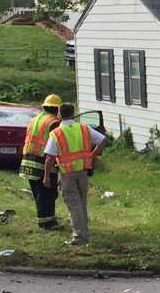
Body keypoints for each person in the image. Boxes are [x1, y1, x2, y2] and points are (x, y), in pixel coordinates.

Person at [41, 103, 106, 246]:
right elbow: (102, 140)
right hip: (83, 171)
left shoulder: (57, 133)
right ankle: (85, 232)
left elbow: (50, 157)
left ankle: (79, 237)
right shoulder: (83, 128)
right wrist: (93, 155)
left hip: (67, 174)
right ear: (73, 113)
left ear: (59, 115)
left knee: (74, 205)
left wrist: (46, 176)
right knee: (82, 203)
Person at [20, 94, 65, 230]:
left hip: (28, 159)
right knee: (48, 193)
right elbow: (55, 145)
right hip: (43, 161)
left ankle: (44, 218)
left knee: (38, 192)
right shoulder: (54, 122)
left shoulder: (35, 119)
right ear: (58, 109)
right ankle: (47, 222)